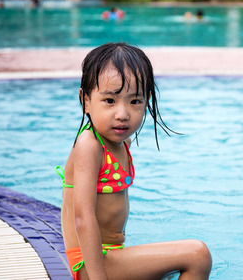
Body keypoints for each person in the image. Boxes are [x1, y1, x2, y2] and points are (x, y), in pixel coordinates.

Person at [57, 43, 212, 280]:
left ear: (147, 101)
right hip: (91, 263)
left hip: (112, 255)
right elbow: (83, 218)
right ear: (85, 100)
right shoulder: (89, 145)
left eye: (135, 101)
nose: (123, 113)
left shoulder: (121, 143)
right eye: (110, 100)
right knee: (198, 255)